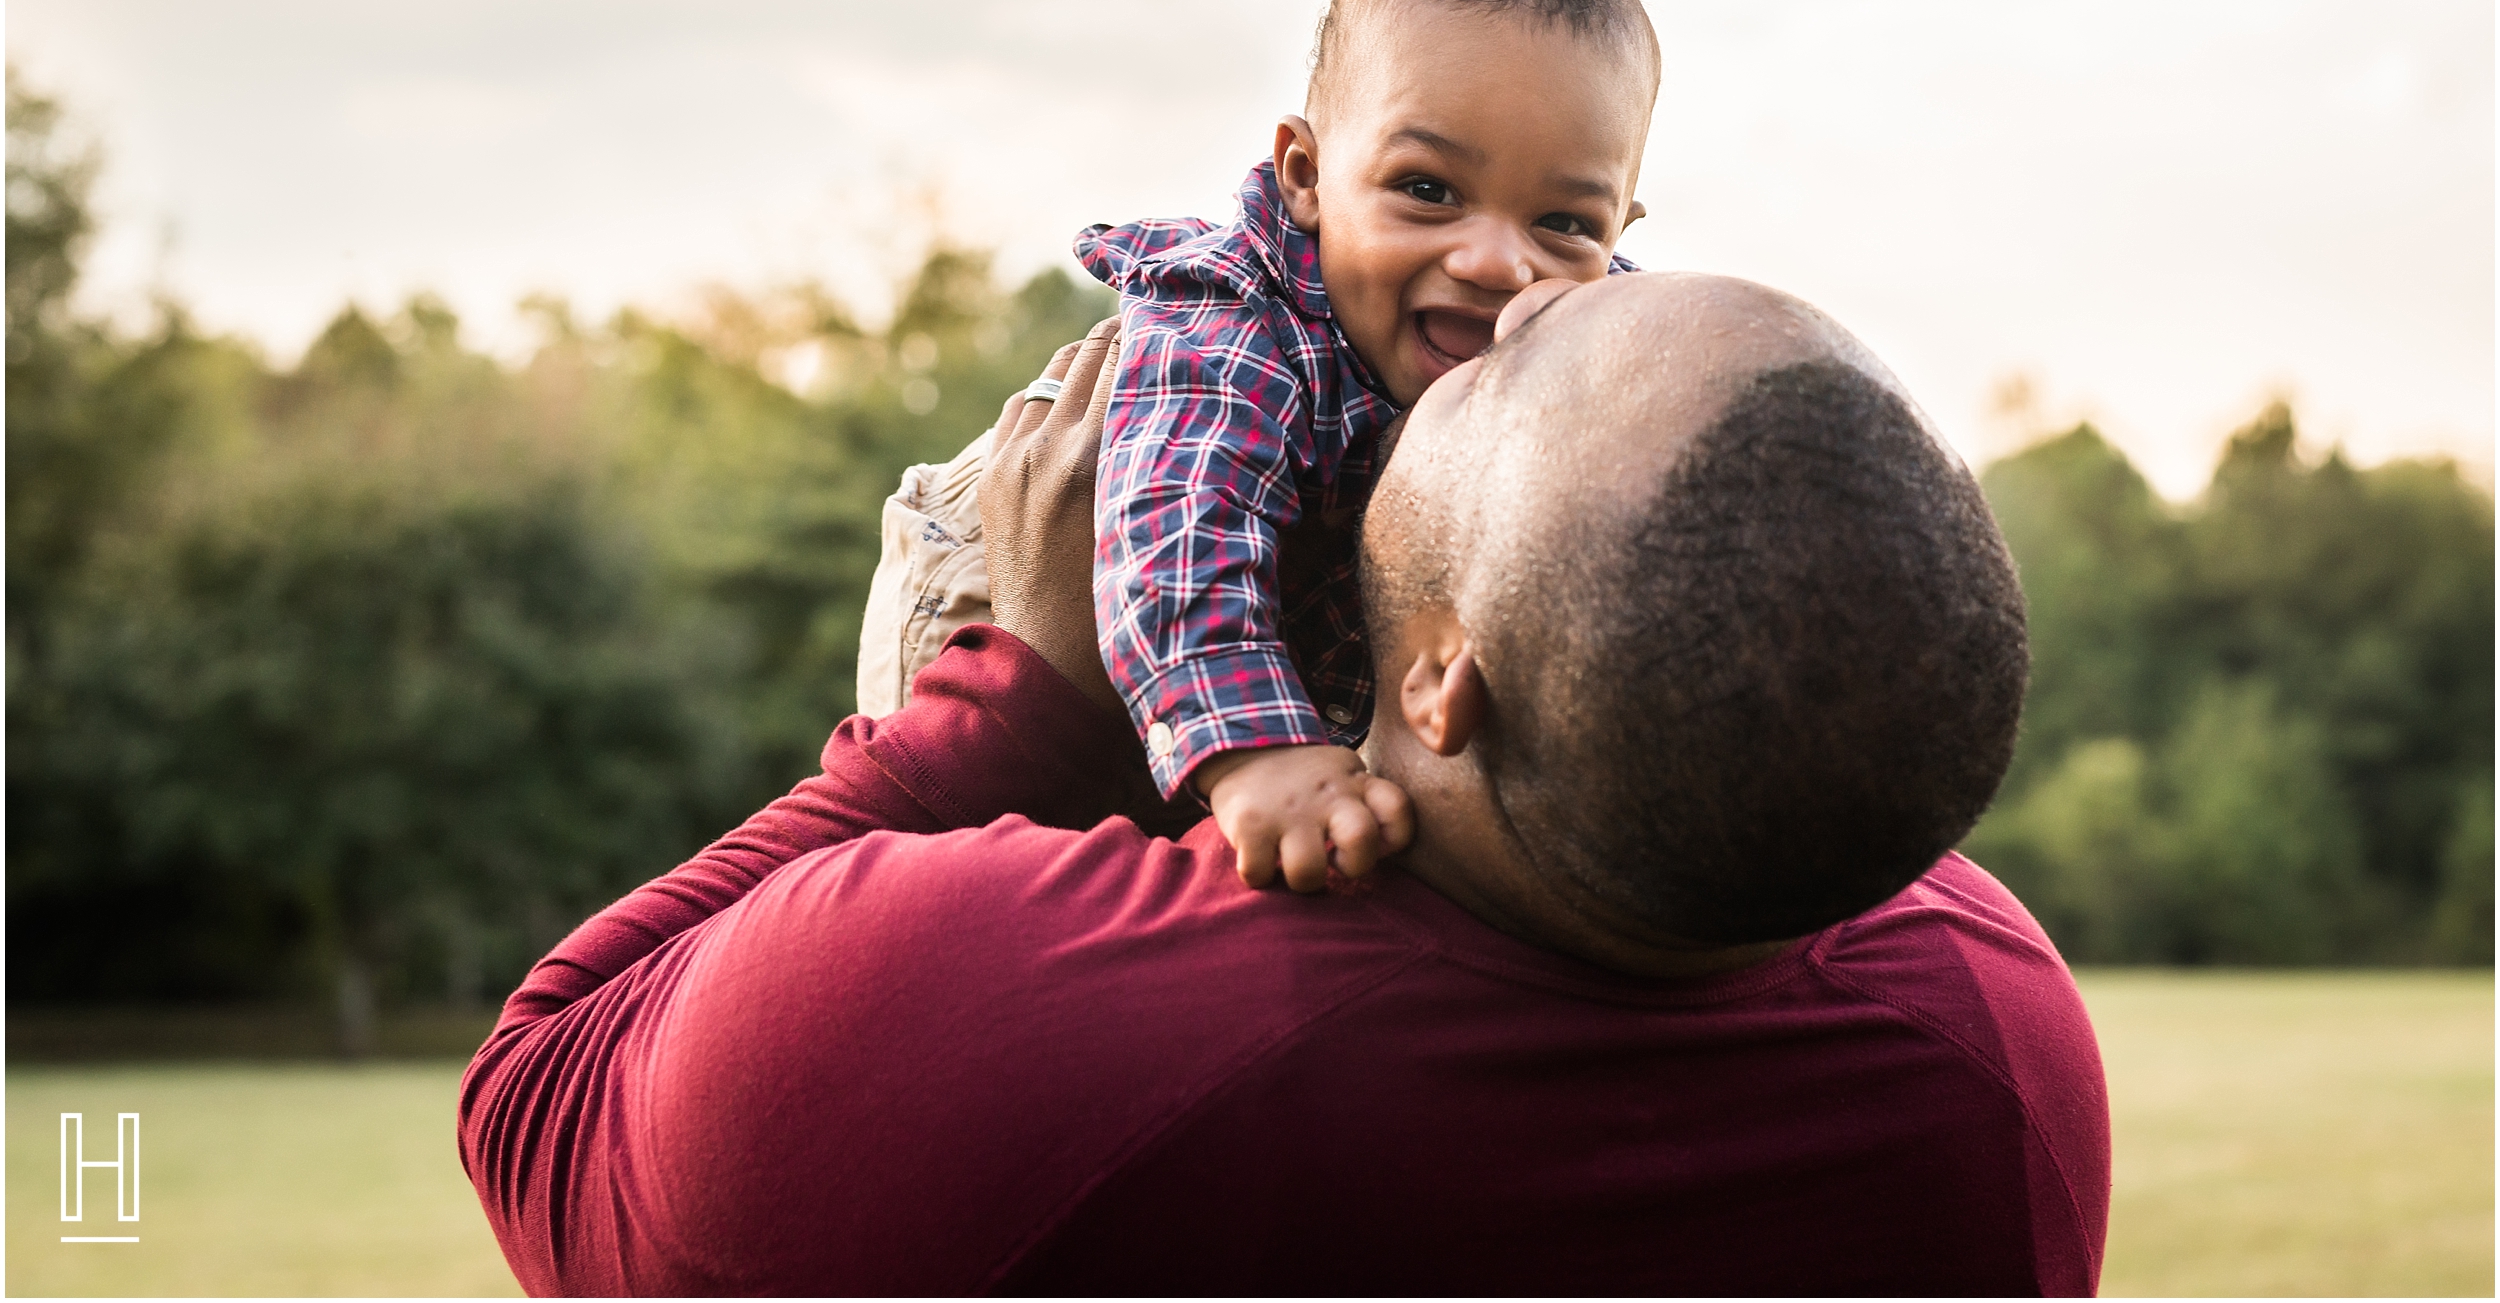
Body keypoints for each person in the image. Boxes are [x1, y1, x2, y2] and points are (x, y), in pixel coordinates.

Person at [460, 273, 2111, 1296]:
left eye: (1513, 372)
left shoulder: (985, 1034)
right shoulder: (1996, 1041)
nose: (1517, 295)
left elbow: (536, 1096)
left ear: (1442, 678)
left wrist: (1029, 708)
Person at [859, 0, 1653, 889]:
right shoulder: (1234, 324)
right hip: (1027, 568)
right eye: (1426, 190)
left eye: (1563, 222)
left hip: (1291, 622)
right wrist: (1256, 753)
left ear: (1619, 231)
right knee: (986, 873)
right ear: (1306, 176)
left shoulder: (1597, 328)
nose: (1498, 262)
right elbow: (1182, 541)